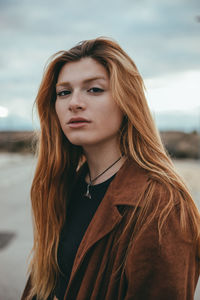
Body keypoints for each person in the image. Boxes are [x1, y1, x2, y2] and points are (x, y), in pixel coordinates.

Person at [21, 37, 200, 300]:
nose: (74, 103)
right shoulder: (67, 186)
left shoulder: (162, 207)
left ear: (127, 101)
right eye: (64, 92)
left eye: (94, 89)